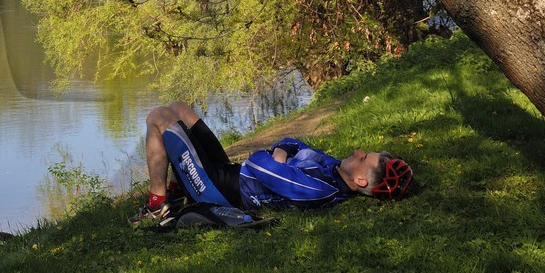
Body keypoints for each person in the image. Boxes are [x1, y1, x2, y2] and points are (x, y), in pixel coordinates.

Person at [130, 101, 414, 227]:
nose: (358, 151)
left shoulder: (320, 188)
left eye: (364, 158)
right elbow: (294, 142)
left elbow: (258, 163)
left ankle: (158, 205)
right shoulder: (332, 167)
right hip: (232, 173)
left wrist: (276, 156)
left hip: (221, 190)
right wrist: (280, 150)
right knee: (180, 108)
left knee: (158, 117)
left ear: (361, 181)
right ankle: (179, 188)